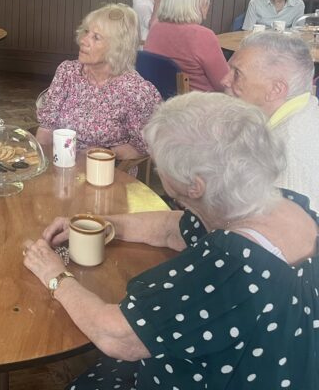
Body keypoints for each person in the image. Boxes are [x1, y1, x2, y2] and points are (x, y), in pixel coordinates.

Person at [23, 92, 319, 389]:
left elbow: (116, 336)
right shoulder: (284, 206)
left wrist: (55, 275)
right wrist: (104, 223)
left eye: (160, 160)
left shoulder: (226, 267)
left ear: (194, 186)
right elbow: (172, 227)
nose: (158, 168)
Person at [36, 4, 161, 159]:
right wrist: (40, 164)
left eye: (96, 37)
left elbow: (144, 146)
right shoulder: (67, 72)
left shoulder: (134, 90)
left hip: (107, 173)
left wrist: (102, 154)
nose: (83, 40)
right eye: (86, 32)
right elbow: (46, 128)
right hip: (61, 164)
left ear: (117, 48)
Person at [221, 31, 319, 209]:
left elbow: (284, 233)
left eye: (237, 74)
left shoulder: (286, 156)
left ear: (276, 89)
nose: (224, 80)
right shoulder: (307, 107)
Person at [144, 0, 229, 92]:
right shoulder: (203, 36)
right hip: (199, 105)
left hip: (161, 99)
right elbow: (225, 84)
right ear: (198, 4)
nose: (208, 4)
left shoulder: (155, 27)